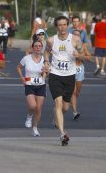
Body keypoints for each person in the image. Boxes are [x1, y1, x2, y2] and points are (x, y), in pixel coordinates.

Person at [44, 16, 83, 146]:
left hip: (70, 76)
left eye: (65, 24)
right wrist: (46, 61)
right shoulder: (50, 40)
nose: (62, 27)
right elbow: (47, 52)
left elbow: (85, 55)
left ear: (68, 25)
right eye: (60, 25)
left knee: (65, 107)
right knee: (58, 103)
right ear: (56, 27)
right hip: (55, 75)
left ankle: (56, 117)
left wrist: (79, 55)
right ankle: (62, 134)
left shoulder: (75, 39)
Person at [17, 39, 46, 137]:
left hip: (41, 85)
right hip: (29, 84)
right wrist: (22, 78)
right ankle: (29, 115)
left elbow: (47, 73)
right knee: (33, 106)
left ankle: (35, 128)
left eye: (39, 46)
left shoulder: (44, 60)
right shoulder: (26, 58)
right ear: (33, 48)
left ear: (42, 48)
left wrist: (46, 73)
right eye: (36, 46)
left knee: (38, 108)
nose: (38, 48)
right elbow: (18, 67)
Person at [71, 29, 91, 120]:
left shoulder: (83, 46)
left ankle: (67, 105)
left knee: (77, 92)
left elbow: (89, 58)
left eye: (78, 35)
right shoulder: (68, 45)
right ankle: (75, 112)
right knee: (73, 92)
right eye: (74, 34)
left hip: (80, 69)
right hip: (70, 69)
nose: (76, 36)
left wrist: (79, 56)